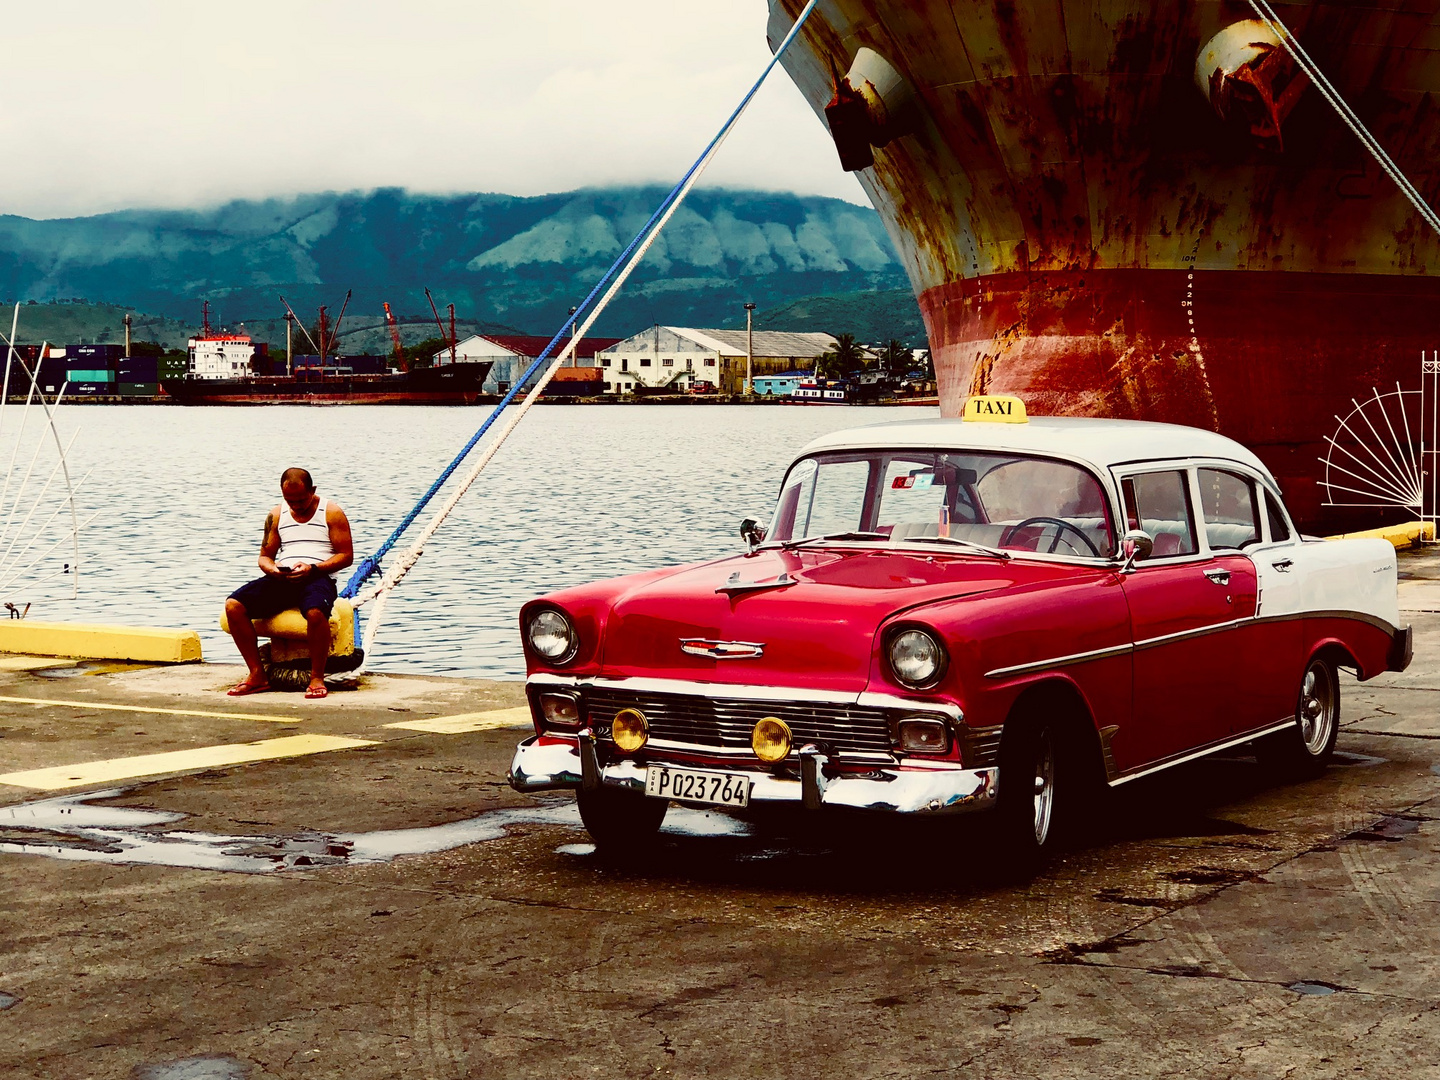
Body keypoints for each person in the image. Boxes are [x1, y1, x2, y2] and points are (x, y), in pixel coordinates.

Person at [224, 467, 354, 699]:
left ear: (313, 491)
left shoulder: (331, 512)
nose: (295, 505)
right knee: (234, 605)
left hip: (318, 576)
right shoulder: (276, 515)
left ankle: (316, 677)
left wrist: (313, 568)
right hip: (283, 577)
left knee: (315, 613)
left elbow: (346, 556)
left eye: (301, 500)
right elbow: (264, 556)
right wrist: (273, 570)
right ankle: (257, 674)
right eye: (289, 500)